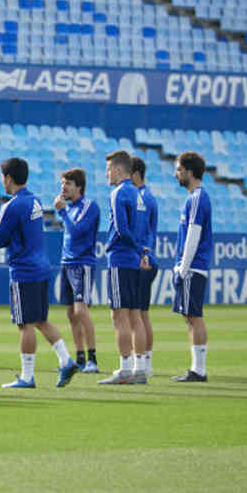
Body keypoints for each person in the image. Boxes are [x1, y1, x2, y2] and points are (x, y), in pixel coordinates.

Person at [0, 158, 79, 389]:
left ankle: (27, 376)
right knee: (41, 320)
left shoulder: (12, 206)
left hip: (24, 271)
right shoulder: (35, 201)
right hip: (41, 267)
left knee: (25, 324)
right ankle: (66, 360)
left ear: (8, 178)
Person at [98, 150, 146, 386]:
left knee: (119, 316)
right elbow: (141, 228)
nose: (106, 174)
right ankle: (140, 369)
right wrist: (141, 251)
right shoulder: (137, 194)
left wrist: (134, 249)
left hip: (121, 258)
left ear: (117, 170)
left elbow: (121, 229)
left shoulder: (118, 193)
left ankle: (125, 369)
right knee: (136, 316)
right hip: (134, 261)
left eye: (108, 169)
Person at [54, 168, 100, 373]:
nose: (63, 187)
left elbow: (77, 232)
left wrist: (62, 211)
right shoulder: (71, 207)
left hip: (82, 264)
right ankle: (80, 357)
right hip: (67, 263)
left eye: (68, 183)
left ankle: (93, 359)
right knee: (71, 314)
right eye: (62, 183)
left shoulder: (89, 206)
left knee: (81, 310)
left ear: (79, 187)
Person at [172, 151, 212, 383]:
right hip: (193, 266)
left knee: (194, 315)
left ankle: (199, 370)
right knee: (191, 315)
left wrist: (183, 267)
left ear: (188, 171)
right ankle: (197, 368)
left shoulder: (197, 198)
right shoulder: (195, 198)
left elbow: (193, 234)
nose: (175, 174)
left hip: (193, 266)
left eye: (178, 169)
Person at [131, 157, 159, 379]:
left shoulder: (143, 198)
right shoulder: (146, 196)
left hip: (143, 260)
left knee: (138, 314)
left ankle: (143, 363)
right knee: (142, 313)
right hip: (145, 258)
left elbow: (147, 231)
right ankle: (145, 361)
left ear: (135, 173)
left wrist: (146, 255)